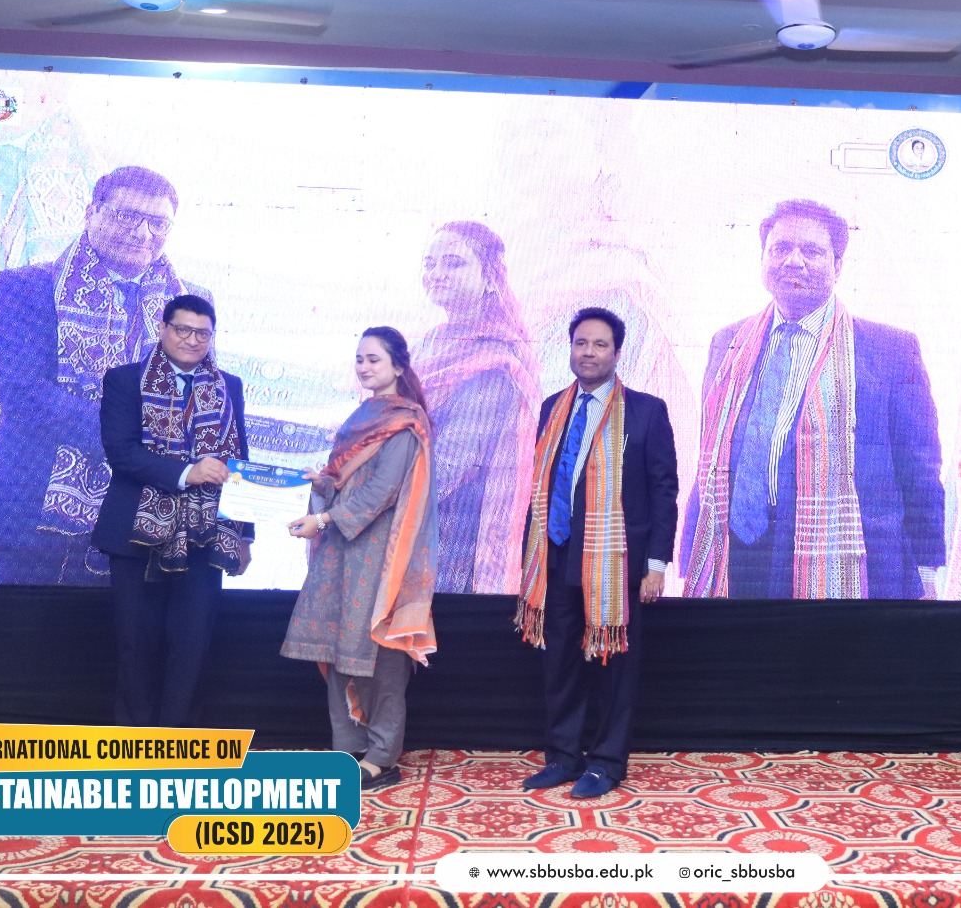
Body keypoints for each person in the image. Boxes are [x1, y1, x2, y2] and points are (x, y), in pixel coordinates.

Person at [680, 199, 945, 600]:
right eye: (780, 248)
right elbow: (711, 455)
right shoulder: (728, 343)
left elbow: (920, 470)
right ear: (763, 258)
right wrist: (689, 556)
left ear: (838, 266)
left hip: (847, 559)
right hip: (735, 554)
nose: (793, 261)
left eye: (812, 251)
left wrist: (927, 571)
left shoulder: (890, 350)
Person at [0, 165, 212, 585]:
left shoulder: (192, 304)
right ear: (91, 211)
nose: (142, 233)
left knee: (126, 630)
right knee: (24, 628)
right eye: (127, 216)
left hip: (146, 520)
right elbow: (23, 394)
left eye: (158, 223)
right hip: (33, 517)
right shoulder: (24, 287)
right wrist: (129, 439)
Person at [515, 308, 677, 799]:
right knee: (560, 660)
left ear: (617, 353)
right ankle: (563, 757)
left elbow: (663, 490)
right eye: (581, 343)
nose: (588, 352)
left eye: (600, 344)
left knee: (613, 666)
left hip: (616, 561)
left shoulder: (646, 411)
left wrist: (656, 564)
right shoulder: (552, 407)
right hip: (557, 555)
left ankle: (606, 763)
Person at [281, 327, 438, 792]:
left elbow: (380, 494)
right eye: (359, 359)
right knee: (336, 648)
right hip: (341, 550)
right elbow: (348, 483)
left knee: (379, 653)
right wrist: (322, 484)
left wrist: (323, 518)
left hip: (381, 554)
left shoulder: (406, 422)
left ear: (398, 367)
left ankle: (381, 756)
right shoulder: (361, 416)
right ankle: (347, 747)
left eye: (374, 359)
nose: (364, 367)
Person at [93, 294, 252, 727]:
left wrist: (244, 536)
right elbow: (120, 451)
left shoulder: (230, 385)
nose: (192, 339)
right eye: (183, 329)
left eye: (202, 333)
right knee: (136, 647)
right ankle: (133, 745)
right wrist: (188, 473)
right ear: (163, 328)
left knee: (192, 648)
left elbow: (240, 463)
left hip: (206, 537)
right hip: (136, 535)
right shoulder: (125, 380)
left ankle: (179, 745)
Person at [415, 222, 540, 594]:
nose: (437, 273)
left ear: (489, 279)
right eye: (430, 263)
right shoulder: (429, 344)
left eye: (453, 263)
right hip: (411, 520)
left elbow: (450, 465)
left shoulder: (495, 358)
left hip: (452, 538)